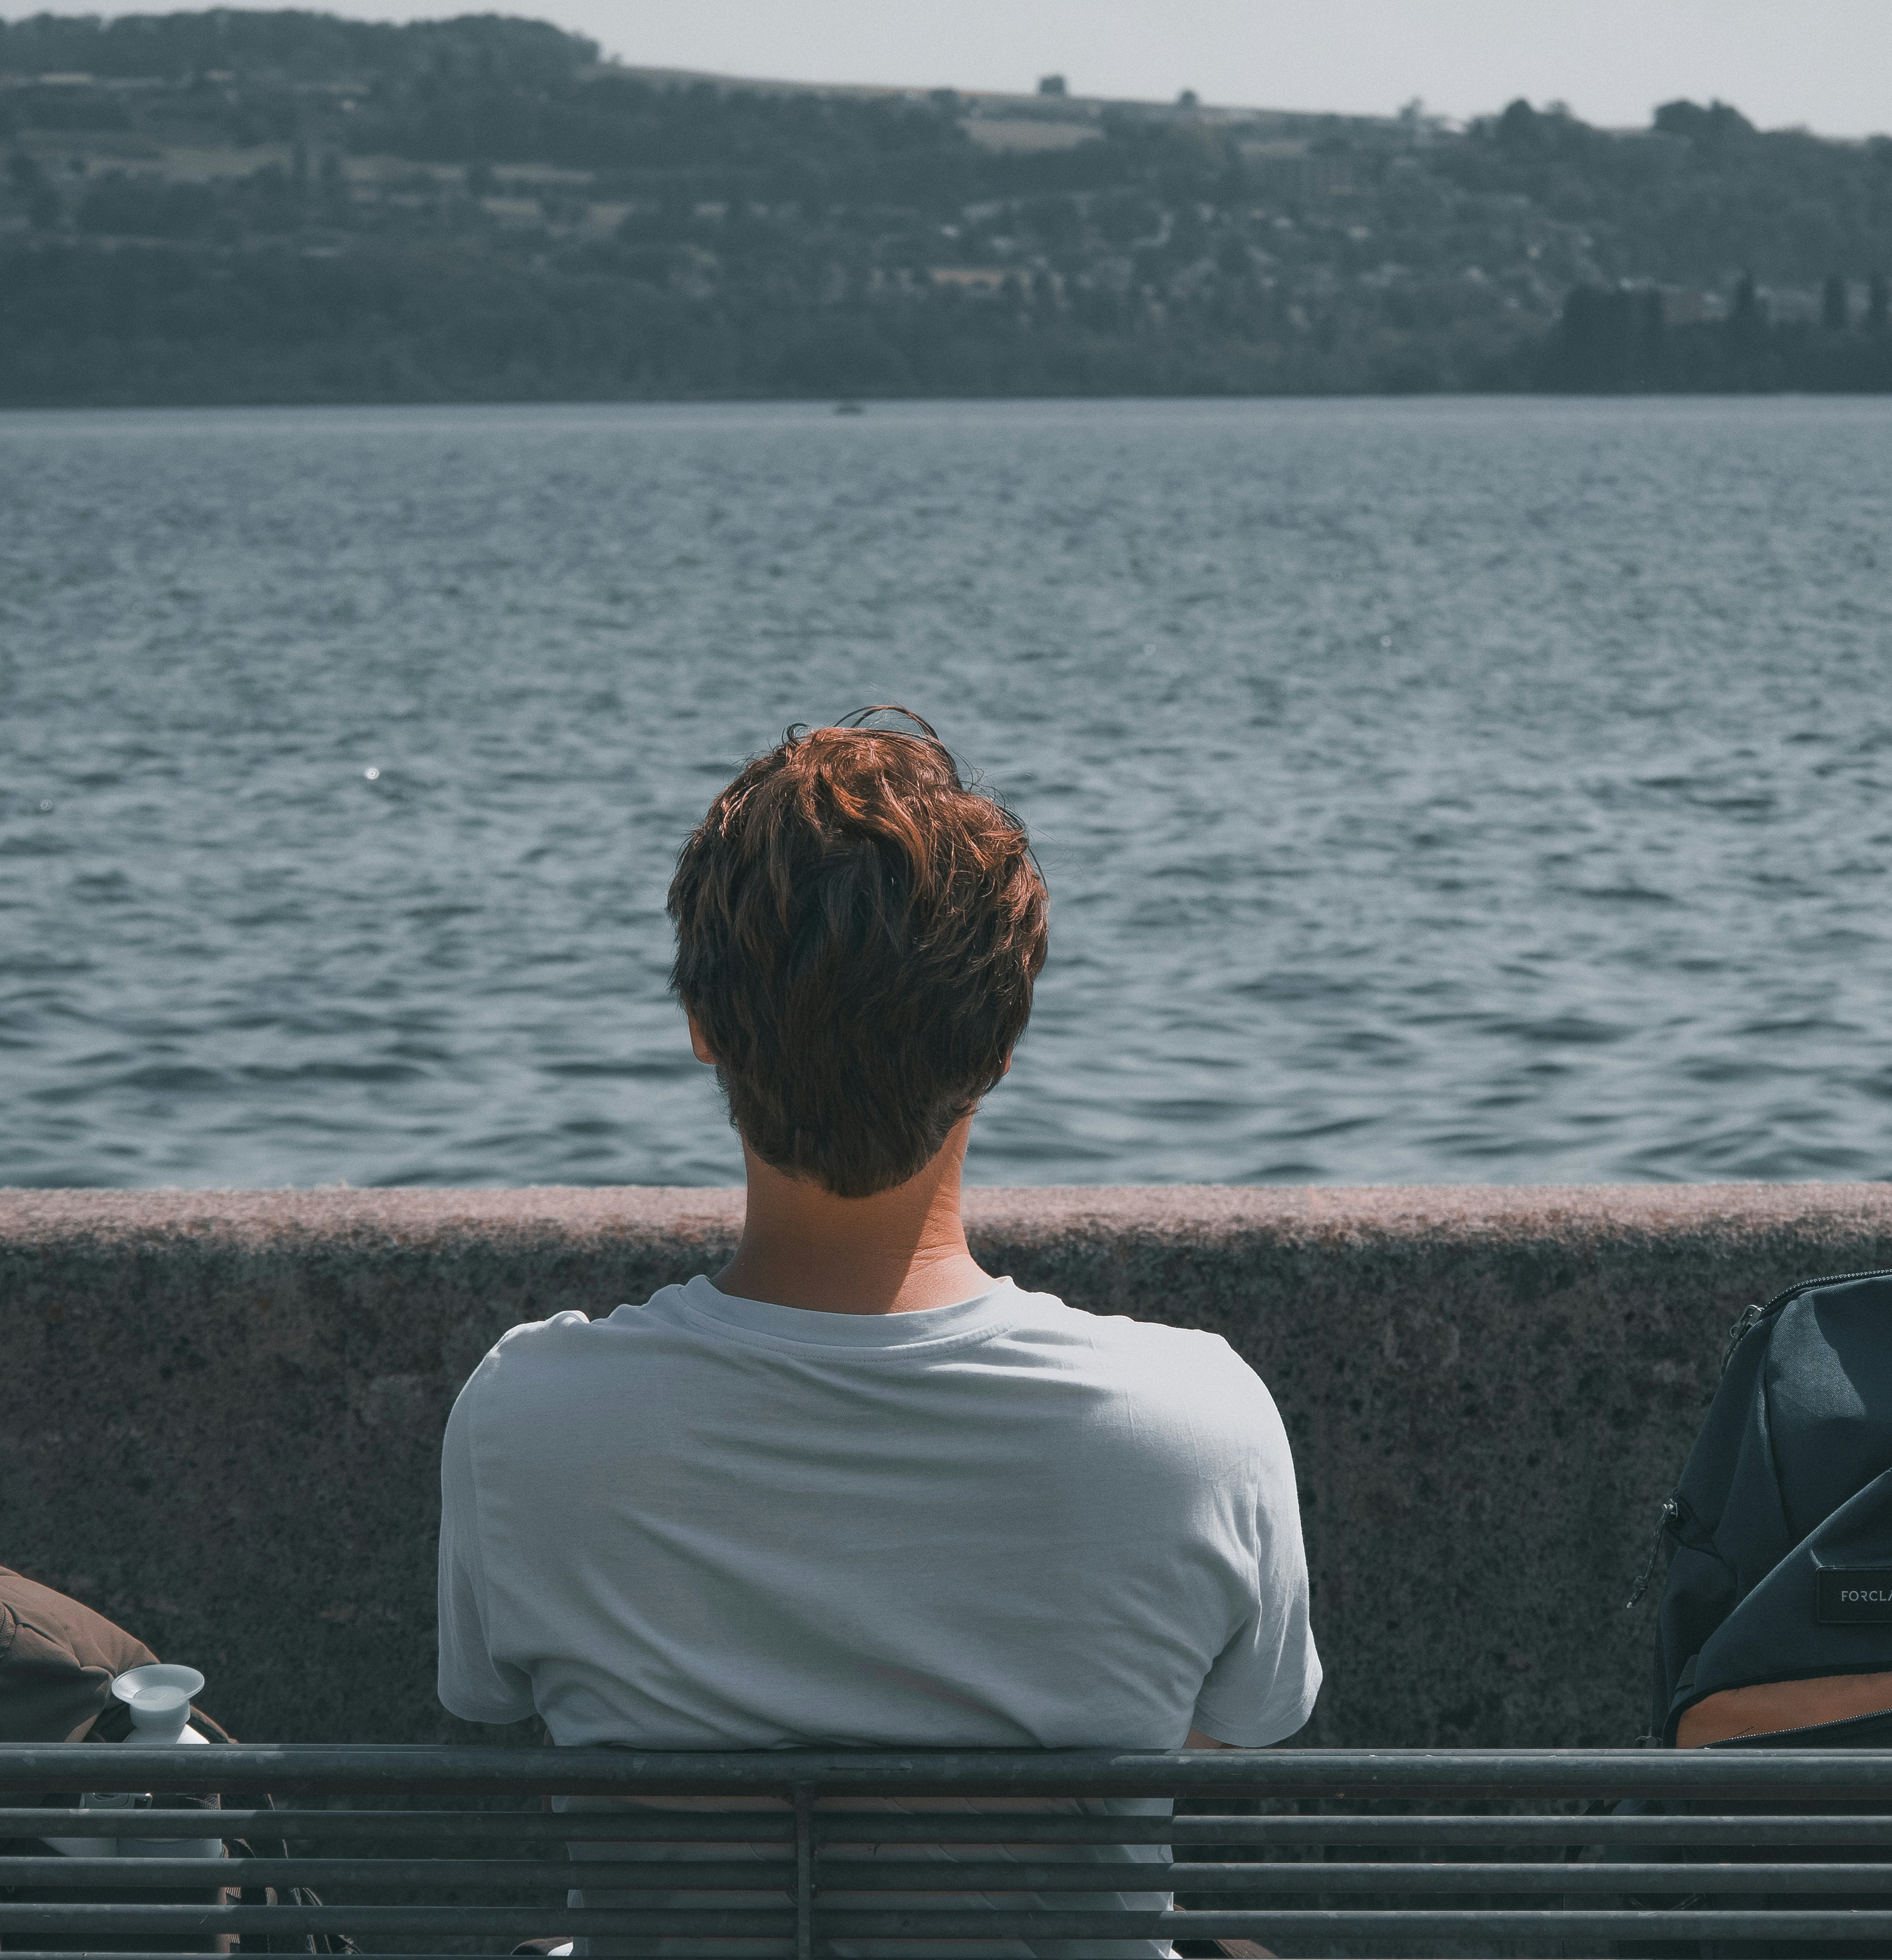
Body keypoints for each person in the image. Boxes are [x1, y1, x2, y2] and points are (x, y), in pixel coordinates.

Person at [435, 709, 1320, 1947]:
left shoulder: (525, 1417)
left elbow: (489, 1697)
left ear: (702, 1027)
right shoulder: (1199, 1423)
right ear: (1001, 1046)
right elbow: (1236, 1719)